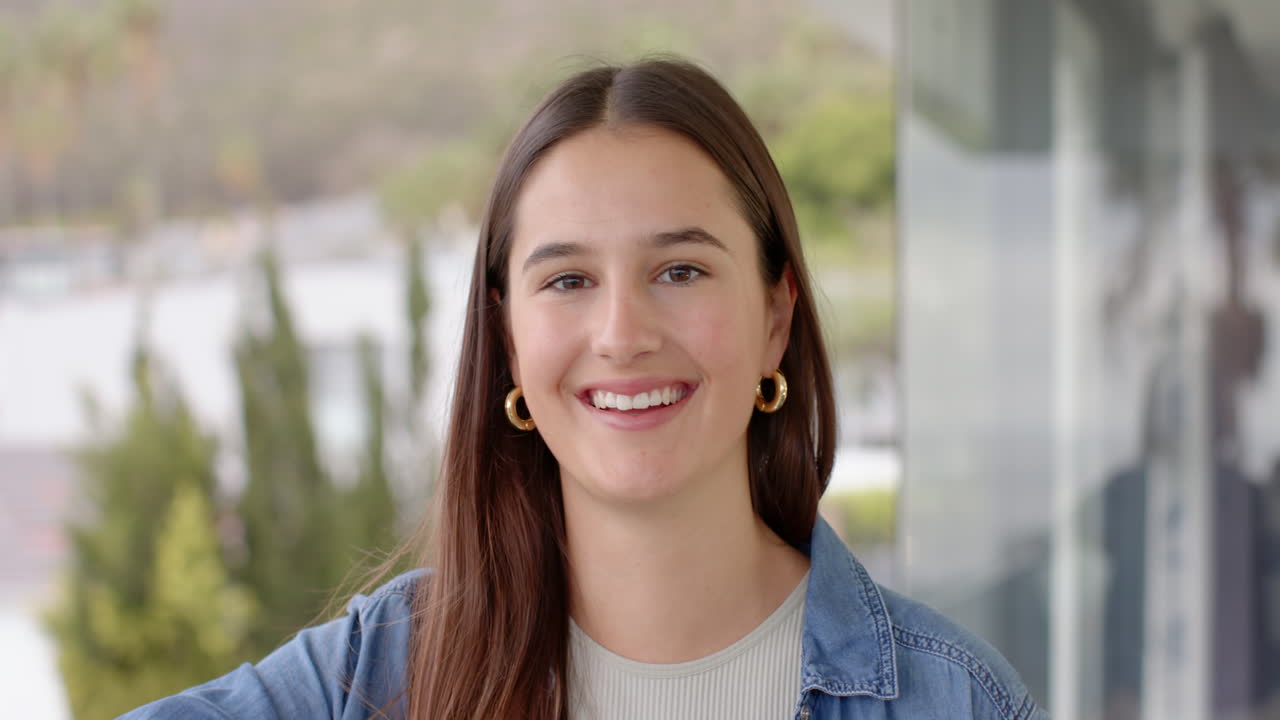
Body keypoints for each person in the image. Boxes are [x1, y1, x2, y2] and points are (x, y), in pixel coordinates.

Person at [121, 58, 1047, 720]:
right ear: (509, 342)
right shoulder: (377, 675)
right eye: (567, 281)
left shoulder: (956, 699)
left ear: (776, 316)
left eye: (680, 270)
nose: (622, 334)